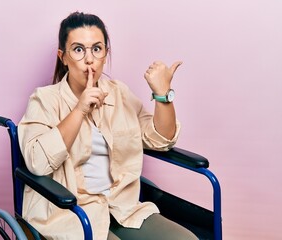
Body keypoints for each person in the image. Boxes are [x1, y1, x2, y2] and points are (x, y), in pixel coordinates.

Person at [18, 11, 198, 240]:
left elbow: (160, 139)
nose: (89, 59)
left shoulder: (119, 93)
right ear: (63, 57)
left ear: (106, 54)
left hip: (121, 207)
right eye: (78, 50)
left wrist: (162, 95)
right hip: (70, 213)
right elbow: (38, 163)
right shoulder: (44, 99)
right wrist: (79, 110)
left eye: (96, 48)